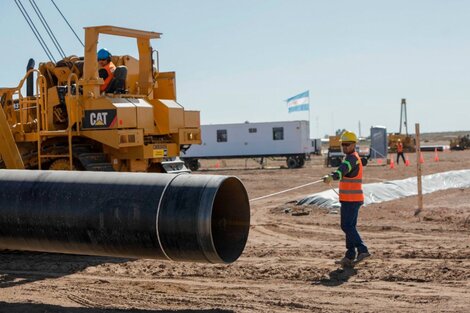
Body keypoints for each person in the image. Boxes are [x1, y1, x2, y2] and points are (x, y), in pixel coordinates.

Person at [323, 130, 370, 267]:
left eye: (347, 144)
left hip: (352, 199)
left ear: (354, 144)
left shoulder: (352, 159)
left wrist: (332, 176)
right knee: (350, 226)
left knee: (346, 226)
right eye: (343, 144)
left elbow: (342, 170)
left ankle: (362, 250)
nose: (344, 147)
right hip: (350, 199)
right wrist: (332, 176)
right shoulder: (352, 157)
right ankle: (350, 256)